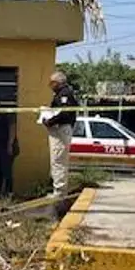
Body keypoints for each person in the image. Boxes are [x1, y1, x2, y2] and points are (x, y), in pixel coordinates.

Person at [41, 71, 79, 207]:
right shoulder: (62, 93)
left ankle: (60, 192)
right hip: (59, 129)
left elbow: (64, 112)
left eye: (52, 83)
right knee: (56, 159)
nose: (50, 85)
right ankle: (58, 189)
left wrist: (50, 121)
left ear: (57, 82)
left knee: (58, 160)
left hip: (61, 129)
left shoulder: (65, 94)